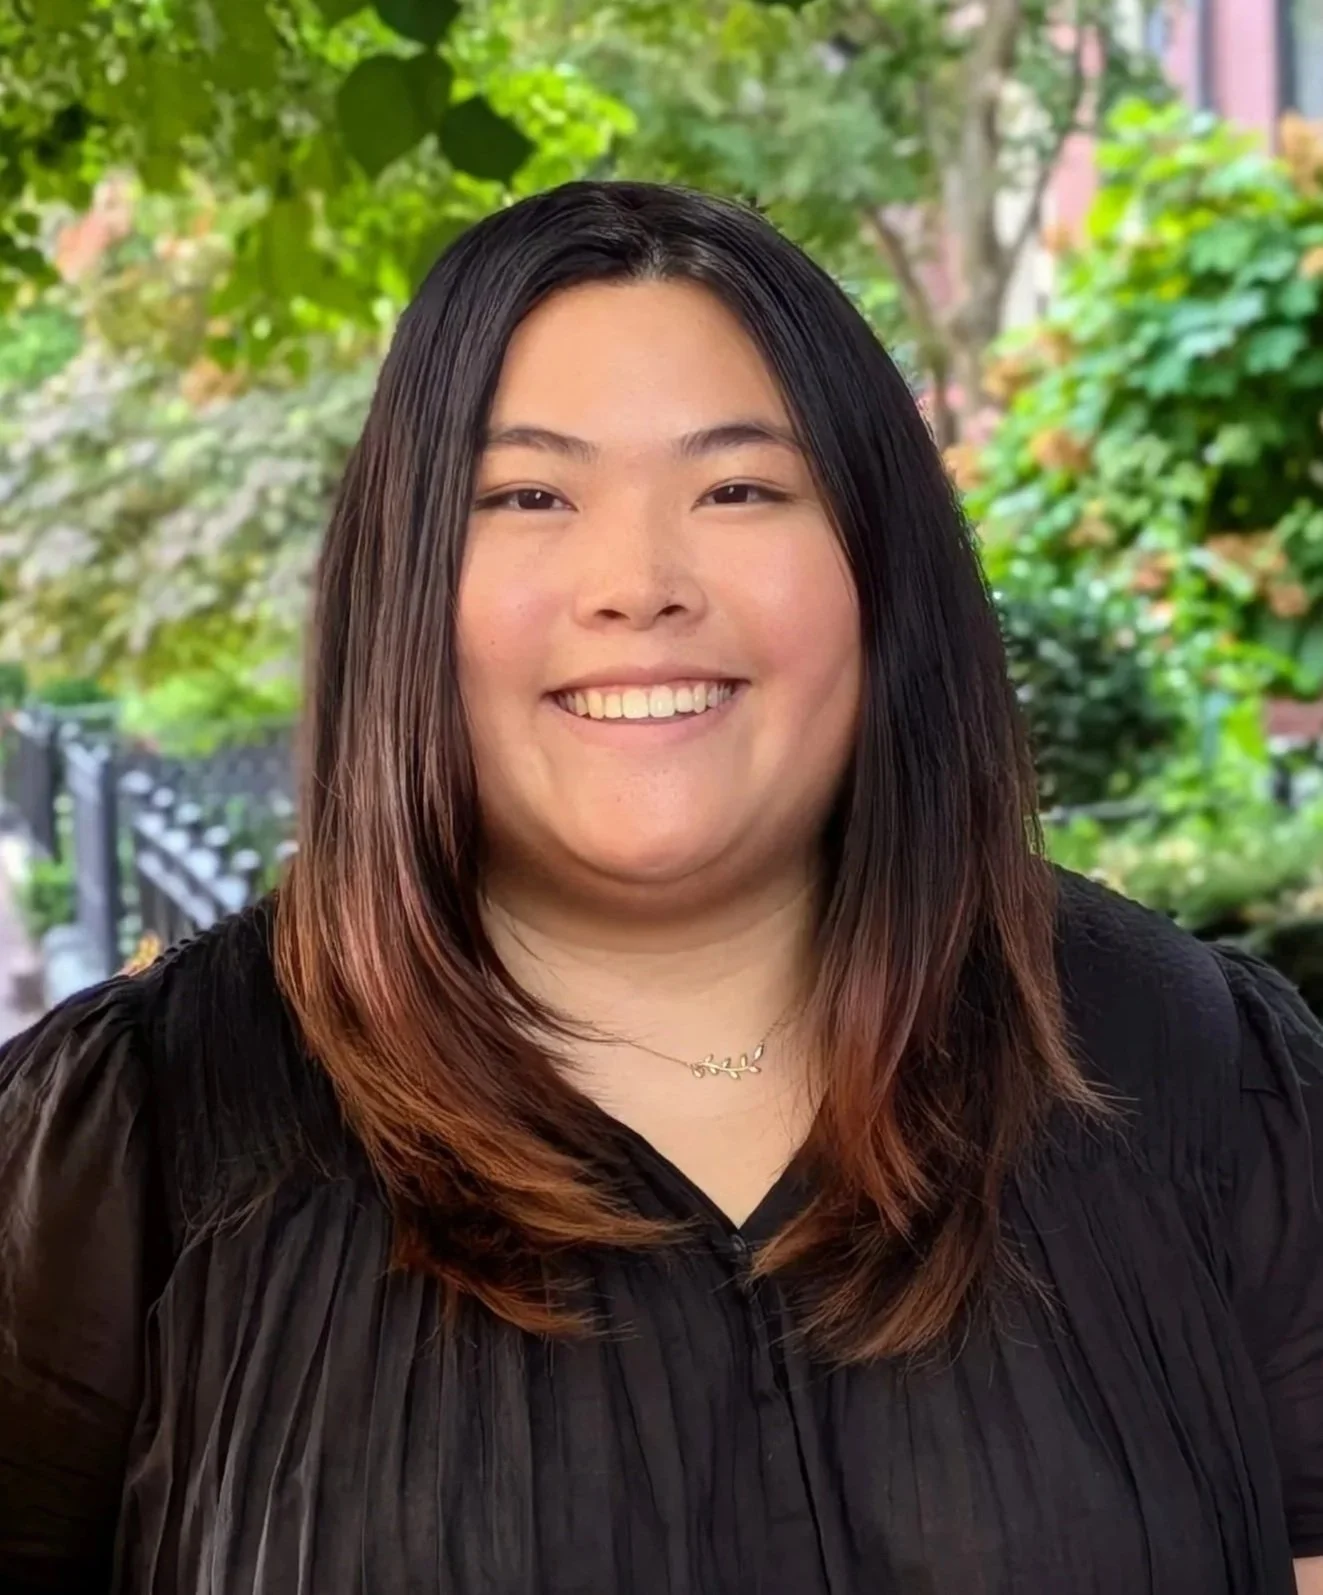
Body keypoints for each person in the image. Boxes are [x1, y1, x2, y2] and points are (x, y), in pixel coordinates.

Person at [1, 181, 1320, 1595]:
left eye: (739, 488)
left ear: (883, 568)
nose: (637, 583)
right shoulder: (137, 1144)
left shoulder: (1202, 1074)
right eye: (527, 495)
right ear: (404, 586)